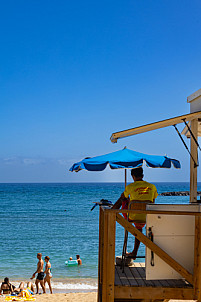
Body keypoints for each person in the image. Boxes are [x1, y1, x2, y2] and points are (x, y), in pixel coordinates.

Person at [112, 167, 158, 259]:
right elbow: (153, 200)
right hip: (147, 216)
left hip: (132, 216)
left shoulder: (130, 187)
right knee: (138, 228)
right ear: (143, 175)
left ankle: (112, 211)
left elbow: (123, 197)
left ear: (133, 176)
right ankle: (134, 252)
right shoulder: (152, 187)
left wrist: (127, 199)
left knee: (123, 198)